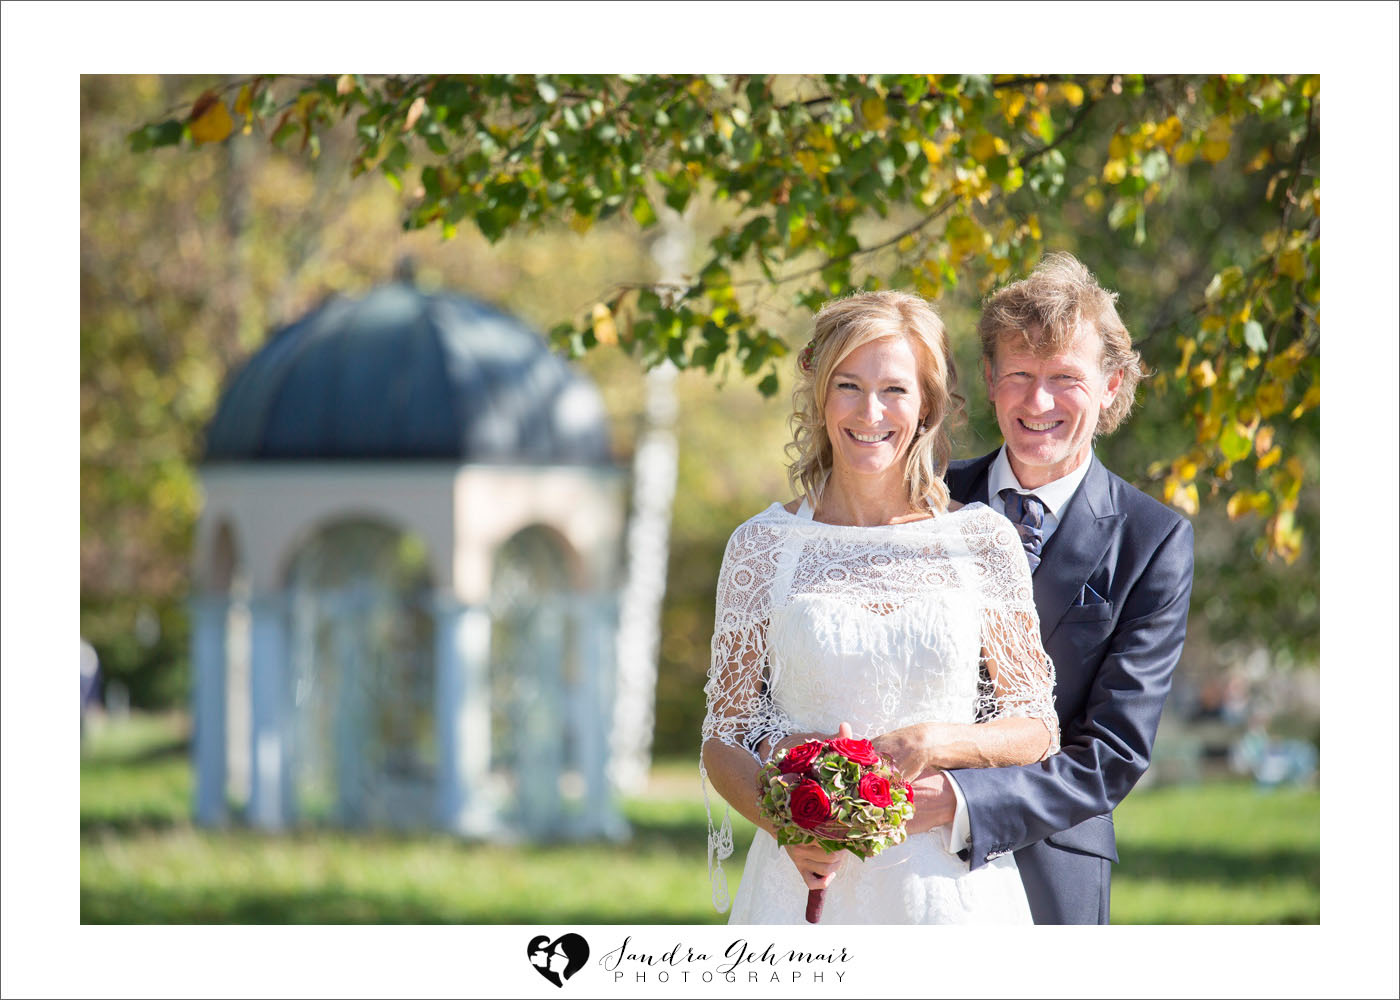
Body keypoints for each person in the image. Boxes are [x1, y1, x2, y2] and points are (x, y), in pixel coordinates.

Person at [700, 290, 1060, 924]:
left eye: (895, 389)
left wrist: (938, 741)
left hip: (946, 892)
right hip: (800, 892)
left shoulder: (981, 542)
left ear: (926, 405)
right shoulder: (762, 546)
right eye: (848, 385)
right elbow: (721, 738)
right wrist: (788, 826)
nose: (871, 411)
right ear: (820, 396)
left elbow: (1036, 725)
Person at [930, 252, 1196, 924]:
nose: (1038, 401)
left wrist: (964, 805)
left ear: (1111, 385)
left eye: (1065, 378)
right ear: (989, 379)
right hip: (896, 849)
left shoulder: (1153, 540)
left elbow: (1114, 752)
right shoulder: (926, 502)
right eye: (1018, 374)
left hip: (1052, 864)